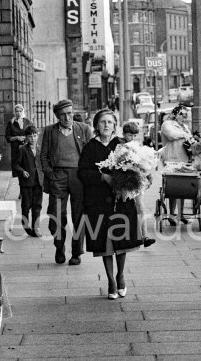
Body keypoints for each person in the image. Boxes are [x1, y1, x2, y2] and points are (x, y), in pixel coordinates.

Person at [78, 109, 143, 299]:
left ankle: (120, 275)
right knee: (105, 244)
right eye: (102, 122)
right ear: (96, 125)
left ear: (115, 125)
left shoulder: (122, 145)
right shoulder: (90, 147)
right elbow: (82, 172)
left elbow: (135, 169)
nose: (106, 125)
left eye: (110, 122)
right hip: (98, 201)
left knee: (121, 241)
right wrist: (102, 177)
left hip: (121, 201)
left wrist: (127, 180)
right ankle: (111, 281)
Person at [40, 99, 93, 265]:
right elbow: (43, 156)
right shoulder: (49, 131)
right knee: (56, 215)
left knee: (79, 216)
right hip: (58, 176)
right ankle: (59, 246)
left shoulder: (83, 129)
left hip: (79, 176)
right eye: (63, 115)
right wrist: (50, 174)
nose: (67, 117)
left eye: (69, 113)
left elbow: (92, 153)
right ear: (57, 116)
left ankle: (76, 253)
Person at [121, 122, 155, 247]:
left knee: (140, 206)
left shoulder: (139, 146)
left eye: (135, 136)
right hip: (125, 182)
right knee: (126, 207)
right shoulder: (121, 147)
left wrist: (149, 176)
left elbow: (145, 163)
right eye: (130, 135)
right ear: (124, 134)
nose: (133, 138)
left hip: (137, 180)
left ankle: (144, 235)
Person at [160, 105, 193, 225]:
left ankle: (181, 214)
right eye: (181, 114)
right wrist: (185, 135)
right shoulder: (167, 124)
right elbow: (171, 135)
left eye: (185, 115)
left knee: (183, 188)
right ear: (175, 114)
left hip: (183, 159)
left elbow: (190, 138)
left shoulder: (185, 126)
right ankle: (172, 214)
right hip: (171, 160)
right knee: (173, 188)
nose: (184, 117)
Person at [13, 126, 43, 238]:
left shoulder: (41, 149)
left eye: (34, 136)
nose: (33, 138)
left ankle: (36, 228)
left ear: (37, 136)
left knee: (37, 206)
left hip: (38, 182)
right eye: (30, 136)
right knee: (26, 206)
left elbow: (44, 164)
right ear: (26, 137)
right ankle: (25, 226)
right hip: (26, 183)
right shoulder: (22, 149)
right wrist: (22, 171)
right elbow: (15, 164)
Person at [5, 104, 34, 177]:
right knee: (16, 167)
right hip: (15, 148)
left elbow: (33, 133)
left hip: (26, 147)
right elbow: (8, 137)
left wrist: (26, 138)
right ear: (14, 112)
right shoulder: (11, 123)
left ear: (23, 111)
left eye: (20, 111)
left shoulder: (28, 121)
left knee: (26, 165)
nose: (19, 113)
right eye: (17, 111)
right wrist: (17, 137)